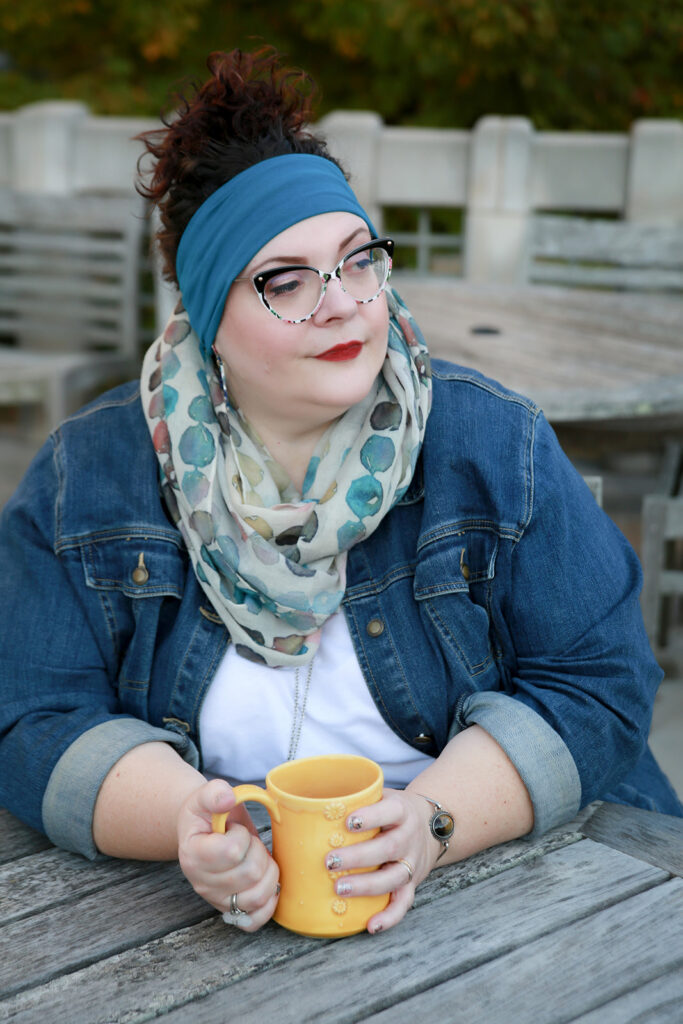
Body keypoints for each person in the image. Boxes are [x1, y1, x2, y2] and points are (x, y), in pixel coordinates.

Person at [0, 47, 680, 937]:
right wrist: (190, 824)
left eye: (359, 260)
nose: (344, 304)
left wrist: (433, 824)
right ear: (210, 321)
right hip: (185, 918)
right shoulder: (89, 474)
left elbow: (600, 683)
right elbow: (30, 712)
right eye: (286, 281)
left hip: (511, 883)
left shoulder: (490, 444)